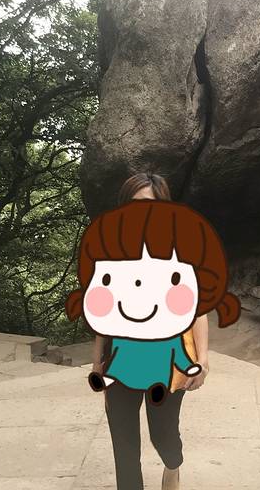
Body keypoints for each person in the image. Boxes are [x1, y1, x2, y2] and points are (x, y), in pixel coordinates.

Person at [91, 173, 221, 490]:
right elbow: (104, 314)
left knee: (163, 436)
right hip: (119, 361)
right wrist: (96, 363)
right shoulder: (111, 250)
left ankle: (173, 465)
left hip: (168, 362)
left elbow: (197, 309)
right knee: (124, 445)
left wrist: (202, 359)